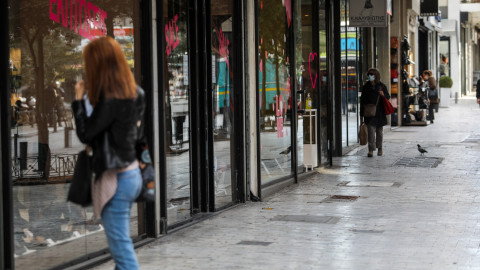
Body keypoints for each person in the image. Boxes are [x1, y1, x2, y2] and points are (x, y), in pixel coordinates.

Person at [71, 37, 144, 270]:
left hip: (117, 179)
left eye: (88, 62)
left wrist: (78, 102)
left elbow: (86, 134)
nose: (86, 68)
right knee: (120, 249)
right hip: (131, 173)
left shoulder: (111, 100)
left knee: (122, 253)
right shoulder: (135, 94)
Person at [360, 68, 390, 157]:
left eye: (372, 75)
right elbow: (362, 101)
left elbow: (387, 97)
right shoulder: (366, 86)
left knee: (379, 132)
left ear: (376, 76)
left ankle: (380, 148)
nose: (370, 76)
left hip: (379, 112)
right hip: (369, 112)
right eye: (369, 75)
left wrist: (383, 95)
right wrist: (361, 114)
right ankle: (371, 150)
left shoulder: (381, 86)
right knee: (371, 132)